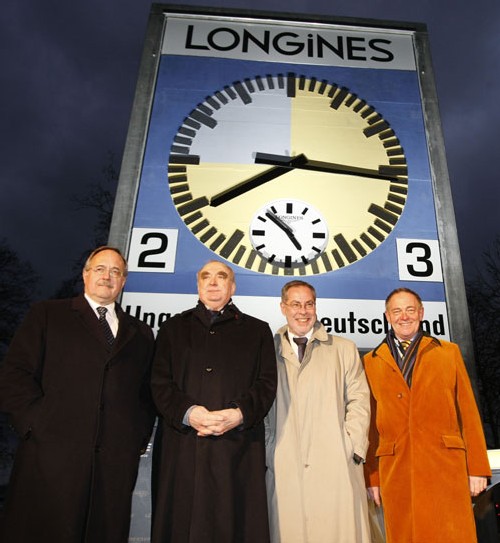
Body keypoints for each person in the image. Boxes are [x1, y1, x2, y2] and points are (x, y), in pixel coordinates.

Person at [0, 246, 156, 543]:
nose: (107, 277)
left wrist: (135, 437)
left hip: (112, 464)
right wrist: (35, 424)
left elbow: (146, 394)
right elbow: (15, 374)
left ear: (123, 281)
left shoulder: (141, 332)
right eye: (100, 269)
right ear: (85, 274)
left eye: (115, 272)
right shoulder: (48, 315)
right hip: (50, 457)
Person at [150, 260, 277, 543]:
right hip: (182, 446)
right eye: (206, 276)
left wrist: (239, 414)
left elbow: (267, 384)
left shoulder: (257, 331)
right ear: (198, 285)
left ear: (232, 287)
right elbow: (159, 382)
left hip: (238, 449)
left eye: (222, 277)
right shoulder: (172, 328)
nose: (213, 282)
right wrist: (188, 412)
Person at [364, 287, 491, 543]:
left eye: (410, 309)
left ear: (421, 313)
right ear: (387, 316)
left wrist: (477, 469)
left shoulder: (448, 352)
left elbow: (468, 412)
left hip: (444, 466)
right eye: (397, 311)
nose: (404, 316)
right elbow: (370, 427)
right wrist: (372, 478)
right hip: (396, 471)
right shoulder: (370, 361)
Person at [265, 280, 372, 543]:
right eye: (295, 304)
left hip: (337, 464)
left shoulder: (344, 348)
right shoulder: (267, 350)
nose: (303, 311)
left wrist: (353, 447)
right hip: (283, 463)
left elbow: (359, 399)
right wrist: (268, 449)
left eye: (309, 304)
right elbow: (259, 404)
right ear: (283, 307)